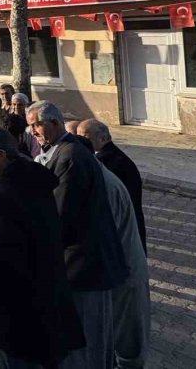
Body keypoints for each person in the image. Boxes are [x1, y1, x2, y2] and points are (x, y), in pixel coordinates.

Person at [27, 101, 128, 368]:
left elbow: (61, 213)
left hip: (84, 264)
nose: (33, 131)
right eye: (31, 126)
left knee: (88, 337)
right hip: (81, 261)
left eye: (36, 124)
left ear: (55, 123)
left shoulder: (70, 156)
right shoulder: (66, 150)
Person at [0, 128, 85, 368]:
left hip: (17, 315)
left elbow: (3, 257)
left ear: (1, 155)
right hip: (46, 303)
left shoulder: (5, 193)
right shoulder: (29, 180)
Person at [98, 159, 151, 369]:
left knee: (129, 337)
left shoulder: (106, 183)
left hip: (125, 270)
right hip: (121, 268)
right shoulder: (102, 178)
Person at [79, 119, 147, 253]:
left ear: (103, 138)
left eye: (85, 137)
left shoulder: (108, 162)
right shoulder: (104, 157)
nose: (80, 142)